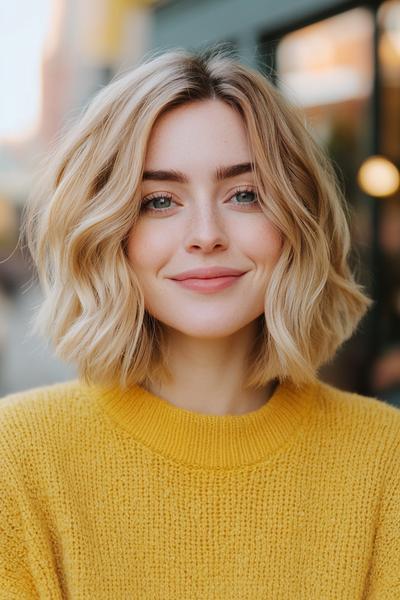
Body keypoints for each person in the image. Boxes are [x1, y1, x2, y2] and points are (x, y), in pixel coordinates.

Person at [1, 47, 399, 599]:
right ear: (108, 230)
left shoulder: (386, 459)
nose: (206, 233)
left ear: (297, 219)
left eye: (245, 194)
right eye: (160, 200)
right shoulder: (17, 456)